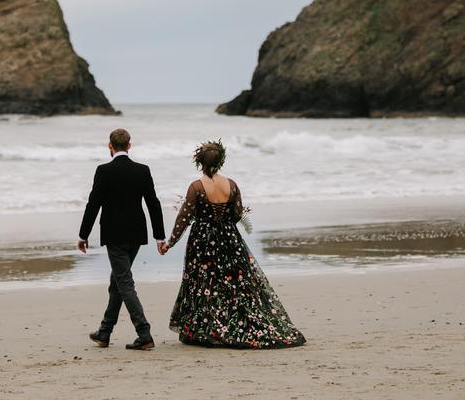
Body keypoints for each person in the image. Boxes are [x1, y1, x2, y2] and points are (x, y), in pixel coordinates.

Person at [159, 140, 307, 349]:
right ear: (221, 161)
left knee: (204, 283)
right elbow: (237, 214)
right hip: (229, 237)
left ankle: (207, 329)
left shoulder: (196, 187)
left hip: (202, 240)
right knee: (234, 283)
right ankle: (232, 323)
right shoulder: (232, 184)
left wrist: (169, 243)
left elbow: (184, 218)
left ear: (199, 162)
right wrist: (223, 226)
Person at [78, 128, 165, 350]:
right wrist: (159, 237)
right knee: (117, 281)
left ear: (110, 146)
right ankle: (104, 332)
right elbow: (153, 204)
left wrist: (83, 235)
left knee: (124, 282)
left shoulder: (103, 171)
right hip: (136, 234)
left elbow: (93, 204)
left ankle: (144, 333)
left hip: (114, 234)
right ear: (129, 146)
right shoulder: (142, 170)